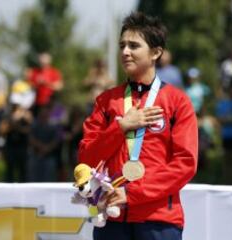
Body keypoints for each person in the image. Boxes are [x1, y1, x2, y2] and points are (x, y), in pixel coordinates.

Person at [78, 12, 198, 240]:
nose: (125, 52)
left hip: (159, 219)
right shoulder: (106, 101)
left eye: (134, 45)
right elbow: (87, 158)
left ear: (156, 53)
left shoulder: (177, 101)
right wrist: (121, 127)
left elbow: (185, 163)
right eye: (122, 45)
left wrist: (132, 192)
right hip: (112, 219)